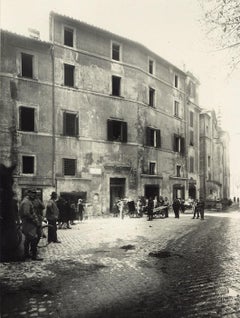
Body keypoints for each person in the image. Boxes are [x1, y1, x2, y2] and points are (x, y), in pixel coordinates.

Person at [19, 188, 43, 261]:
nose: (33, 194)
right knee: (34, 238)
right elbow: (27, 214)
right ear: (28, 193)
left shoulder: (27, 201)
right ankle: (34, 255)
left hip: (28, 223)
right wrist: (35, 220)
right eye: (32, 193)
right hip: (29, 223)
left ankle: (26, 254)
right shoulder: (26, 202)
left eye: (34, 193)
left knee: (28, 239)